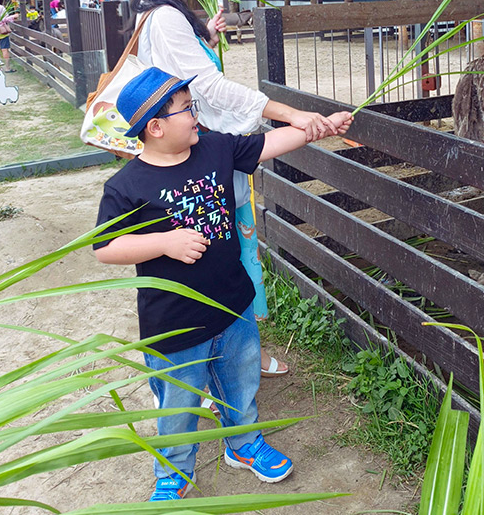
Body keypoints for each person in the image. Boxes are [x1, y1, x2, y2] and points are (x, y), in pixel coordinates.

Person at [93, 66, 352, 501]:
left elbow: (267, 144)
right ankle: (173, 472)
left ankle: (244, 443)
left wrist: (315, 128)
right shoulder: (126, 186)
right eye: (186, 110)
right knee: (179, 403)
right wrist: (164, 242)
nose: (195, 115)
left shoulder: (213, 148)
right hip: (174, 321)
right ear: (155, 127)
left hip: (232, 305)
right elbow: (106, 247)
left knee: (240, 381)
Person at [131, 0, 337, 377]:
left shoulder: (159, 13)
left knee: (222, 257)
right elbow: (208, 87)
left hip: (196, 154)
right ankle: (236, 358)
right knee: (226, 260)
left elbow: (189, 73)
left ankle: (237, 355)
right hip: (204, 158)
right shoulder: (164, 18)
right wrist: (290, 113)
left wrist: (206, 37)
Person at [0, 0, 16, 73]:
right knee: (4, 50)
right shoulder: (1, 8)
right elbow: (5, 19)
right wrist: (14, 16)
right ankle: (7, 68)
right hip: (1, 32)